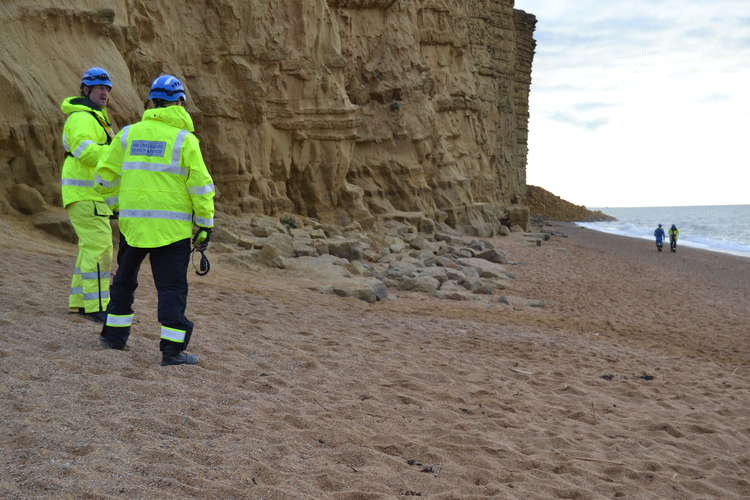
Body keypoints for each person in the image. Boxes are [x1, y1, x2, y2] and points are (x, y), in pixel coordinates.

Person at [95, 74, 215, 366]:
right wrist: (205, 225)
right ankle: (172, 352)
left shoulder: (127, 134)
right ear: (181, 103)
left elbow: (103, 177)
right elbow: (200, 187)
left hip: (132, 225)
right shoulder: (186, 141)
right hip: (171, 231)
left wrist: (117, 207)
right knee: (171, 290)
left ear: (152, 102)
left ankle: (114, 337)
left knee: (123, 282)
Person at [60, 67, 117, 322]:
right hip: (85, 194)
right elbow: (86, 152)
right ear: (86, 90)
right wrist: (116, 156)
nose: (104, 92)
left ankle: (81, 301)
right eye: (99, 88)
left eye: (107, 88)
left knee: (89, 249)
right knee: (100, 250)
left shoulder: (95, 117)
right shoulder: (83, 118)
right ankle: (96, 307)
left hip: (88, 195)